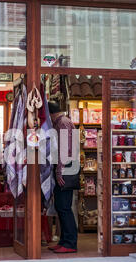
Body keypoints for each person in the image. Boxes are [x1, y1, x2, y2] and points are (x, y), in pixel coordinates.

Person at [47, 100, 79, 253]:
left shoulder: (63, 123)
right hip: (64, 168)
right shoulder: (61, 122)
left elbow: (65, 150)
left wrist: (60, 171)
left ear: (50, 114)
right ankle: (64, 240)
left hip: (66, 168)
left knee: (65, 207)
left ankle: (70, 243)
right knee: (61, 206)